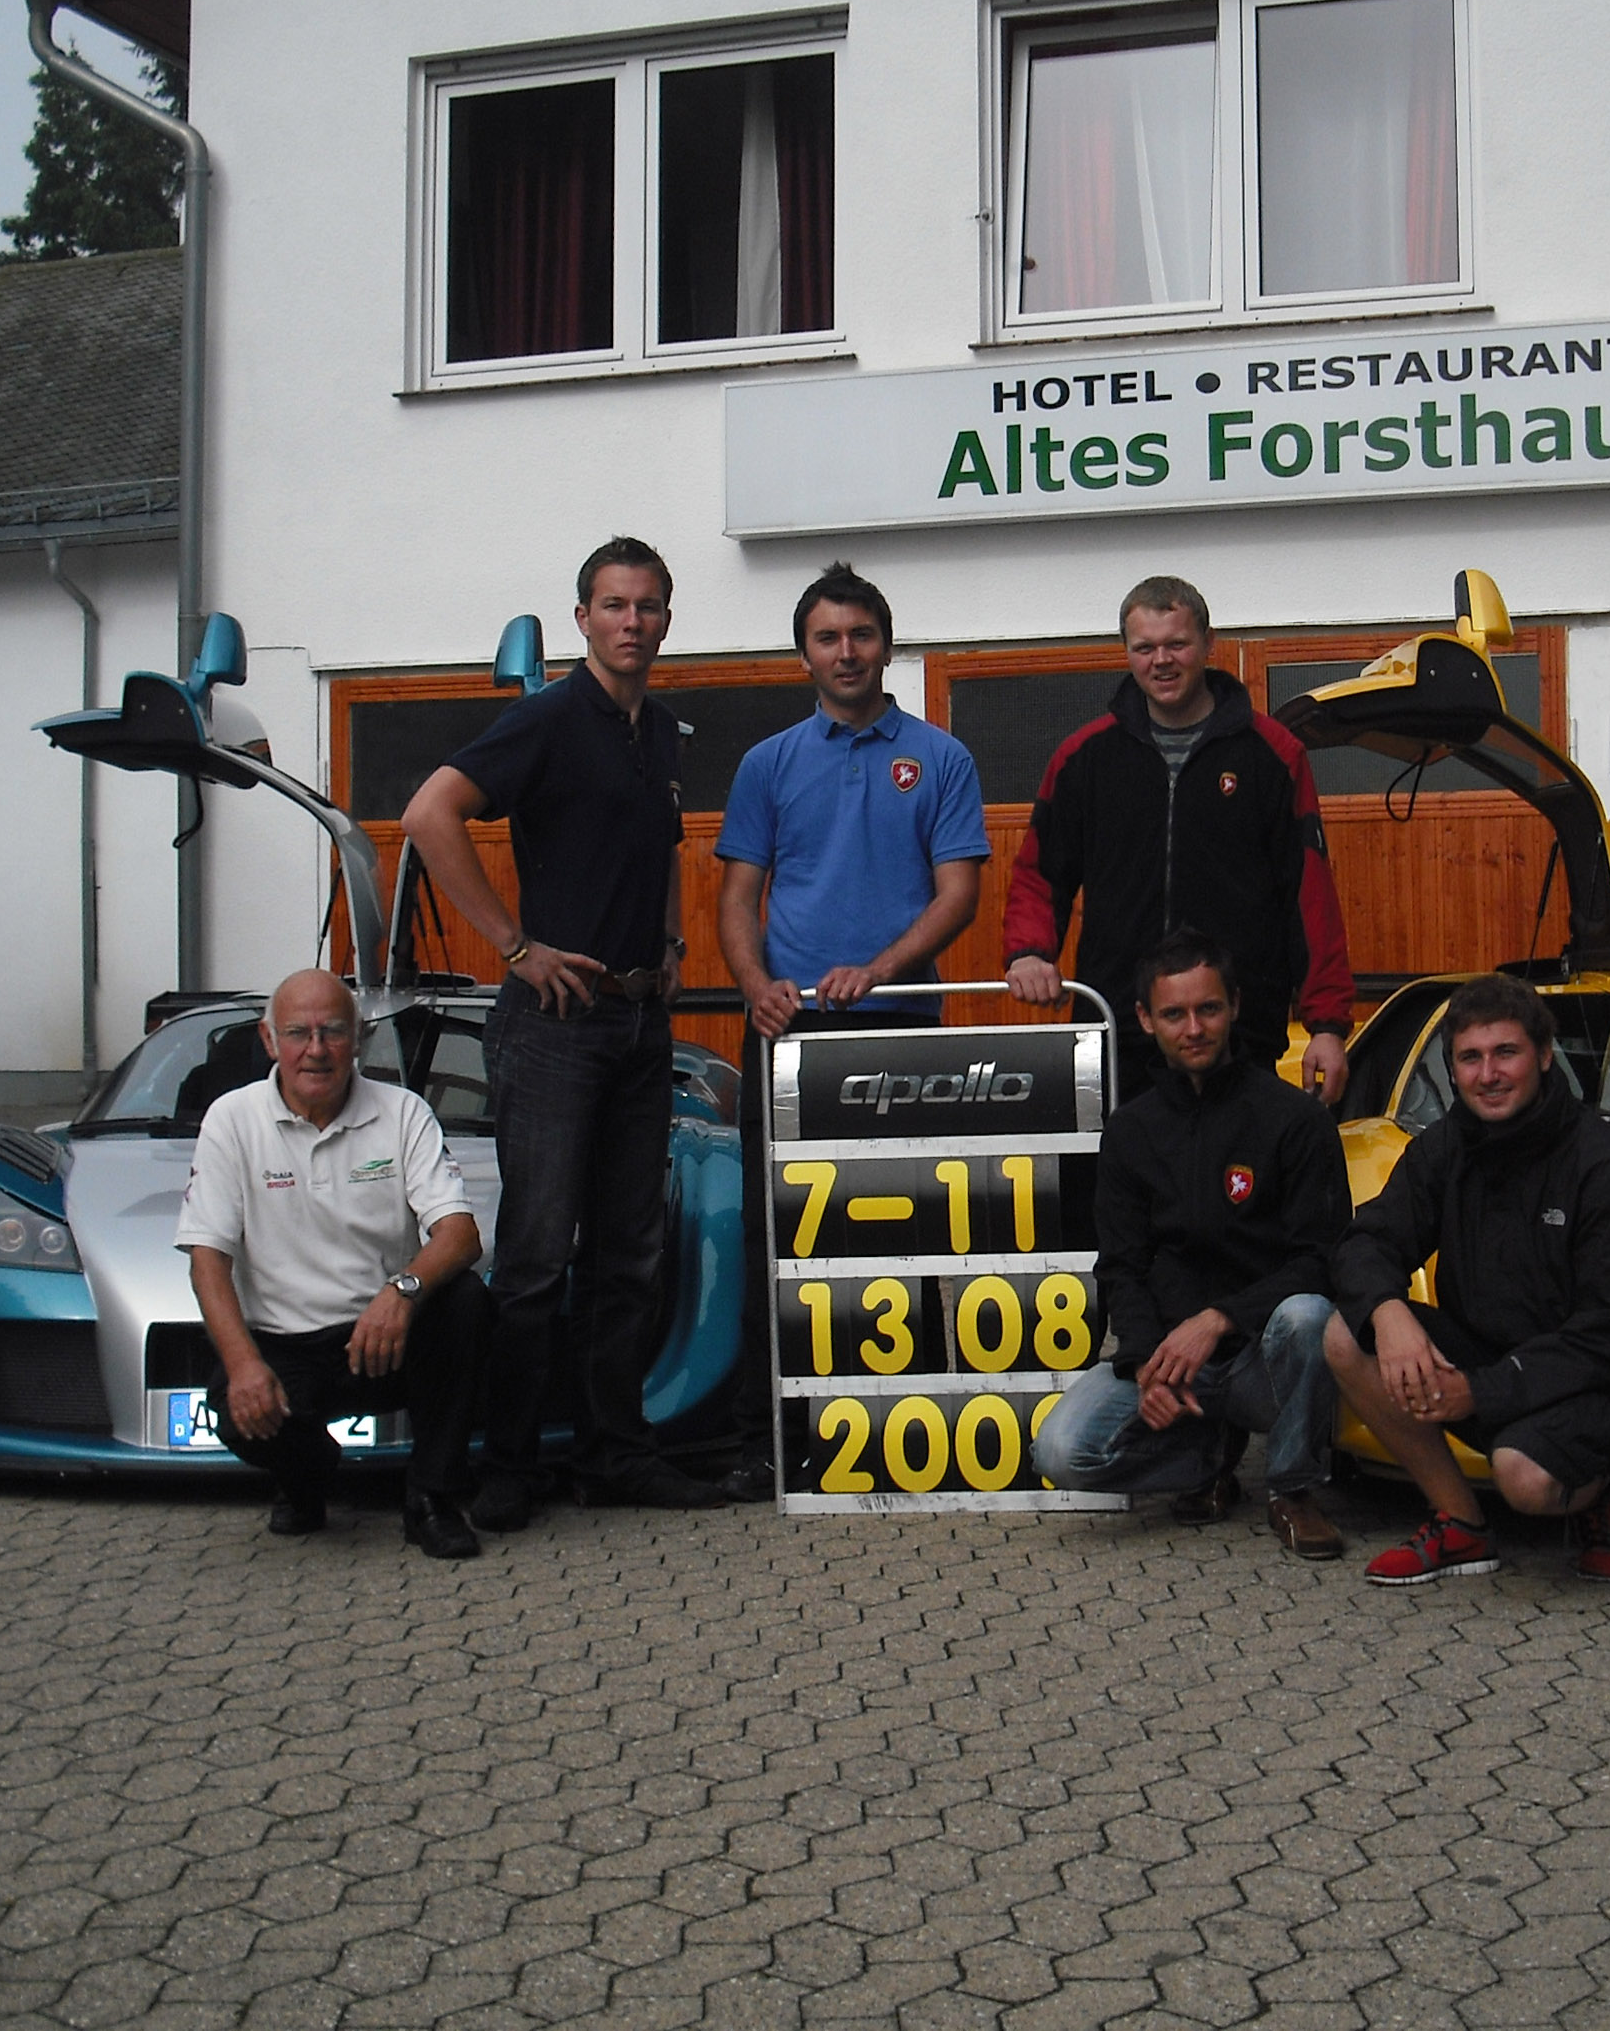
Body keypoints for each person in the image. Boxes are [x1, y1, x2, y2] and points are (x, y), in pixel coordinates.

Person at [400, 537, 726, 1524]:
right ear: (582, 618)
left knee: (631, 1254)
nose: (633, 622)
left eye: (650, 607)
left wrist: (672, 945)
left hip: (634, 1025)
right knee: (538, 1258)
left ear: (667, 620)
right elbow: (426, 815)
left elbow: (664, 850)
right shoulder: (545, 720)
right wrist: (512, 945)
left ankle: (615, 1454)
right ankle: (505, 1466)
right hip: (551, 1027)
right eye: (614, 605)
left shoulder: (661, 731)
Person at [715, 561, 991, 1501]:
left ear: (886, 644)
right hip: (786, 1041)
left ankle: (897, 1435)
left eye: (861, 635)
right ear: (805, 653)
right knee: (779, 1244)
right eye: (828, 637)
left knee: (901, 1235)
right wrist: (757, 987)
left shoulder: (941, 758)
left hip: (899, 1030)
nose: (846, 652)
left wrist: (879, 969)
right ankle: (771, 1439)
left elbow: (960, 893)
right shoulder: (768, 764)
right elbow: (737, 897)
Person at [1323, 973, 1610, 1588]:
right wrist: (1389, 1314)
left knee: (1521, 1477)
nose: (1488, 1074)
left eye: (1506, 1053)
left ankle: (1598, 1489)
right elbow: (1366, 1242)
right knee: (1346, 1333)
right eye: (1470, 1058)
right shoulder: (1445, 1150)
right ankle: (1461, 1525)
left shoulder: (1608, 1170)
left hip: (1608, 1381)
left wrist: (1484, 1392)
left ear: (1544, 1057)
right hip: (1495, 1360)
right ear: (1453, 1069)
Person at [1034, 931, 1353, 1557]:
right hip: (1179, 1363)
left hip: (1269, 1357)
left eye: (1208, 1009)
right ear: (1146, 1020)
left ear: (1234, 1006)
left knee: (1311, 1316)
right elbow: (1121, 1266)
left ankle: (1292, 1488)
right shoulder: (1130, 1131)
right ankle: (1208, 1461)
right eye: (1174, 1014)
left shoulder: (1296, 1121)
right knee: (1063, 1452)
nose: (1194, 1028)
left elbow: (1324, 1259)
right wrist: (1145, 1365)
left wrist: (1221, 1317)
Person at [1001, 575, 1356, 1104]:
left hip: (1239, 1034)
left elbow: (1309, 896)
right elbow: (1038, 873)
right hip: (1117, 1030)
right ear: (1127, 652)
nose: (1160, 661)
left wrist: (1326, 1024)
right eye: (1144, 647)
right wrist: (1028, 952)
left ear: (1208, 644)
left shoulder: (1273, 755)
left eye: (1176, 644)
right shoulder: (1084, 758)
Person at [175, 969, 490, 1556]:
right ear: (270, 1042)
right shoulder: (230, 1119)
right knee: (230, 1405)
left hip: (381, 1334)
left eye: (332, 1032)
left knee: (465, 1300)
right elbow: (207, 1260)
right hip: (284, 1344)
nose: (315, 1050)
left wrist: (402, 1291)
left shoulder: (404, 1112)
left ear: (359, 1040)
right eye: (298, 1033)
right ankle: (308, 1479)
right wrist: (243, 1365)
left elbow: (460, 1234)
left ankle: (432, 1499)